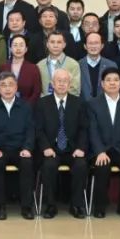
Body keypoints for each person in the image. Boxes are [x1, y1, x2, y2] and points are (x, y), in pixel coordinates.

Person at [35, 69, 89, 218]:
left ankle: (76, 205)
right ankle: (50, 205)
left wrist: (80, 148)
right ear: (52, 83)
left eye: (65, 81)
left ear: (70, 84)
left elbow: (84, 129)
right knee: (48, 166)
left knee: (81, 165)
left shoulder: (79, 103)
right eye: (59, 80)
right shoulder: (42, 103)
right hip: (51, 149)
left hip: (73, 149)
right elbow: (38, 129)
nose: (62, 84)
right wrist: (45, 147)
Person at [87, 67, 120, 219]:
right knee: (102, 166)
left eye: (116, 80)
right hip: (101, 149)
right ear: (102, 84)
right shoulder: (92, 104)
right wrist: (99, 151)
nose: (112, 83)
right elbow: (93, 131)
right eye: (108, 80)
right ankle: (99, 207)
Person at [0, 72, 36, 220]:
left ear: (16, 87)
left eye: (10, 85)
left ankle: (26, 206)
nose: (7, 88)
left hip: (20, 149)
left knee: (27, 164)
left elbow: (31, 131)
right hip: (0, 149)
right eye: (3, 85)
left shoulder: (26, 107)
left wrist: (27, 148)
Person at [1, 34, 42, 105]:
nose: (18, 48)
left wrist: (26, 107)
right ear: (10, 48)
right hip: (6, 105)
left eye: (21, 45)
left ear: (26, 49)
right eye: (15, 45)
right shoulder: (3, 67)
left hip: (27, 107)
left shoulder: (33, 68)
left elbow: (36, 92)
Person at [37, 31, 81, 96]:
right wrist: (46, 100)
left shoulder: (73, 64)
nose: (55, 45)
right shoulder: (40, 65)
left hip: (66, 101)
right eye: (52, 42)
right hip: (45, 101)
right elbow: (37, 89)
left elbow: (75, 90)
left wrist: (58, 98)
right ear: (47, 44)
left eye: (59, 42)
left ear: (64, 45)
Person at [79, 31, 117, 101]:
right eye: (90, 43)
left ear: (102, 46)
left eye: (96, 43)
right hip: (82, 105)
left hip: (104, 104)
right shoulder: (78, 65)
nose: (93, 46)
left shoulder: (111, 65)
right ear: (85, 46)